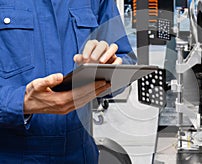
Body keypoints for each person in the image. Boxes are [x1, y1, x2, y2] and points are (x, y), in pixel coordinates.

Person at [0, 0, 136, 163]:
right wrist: (19, 103)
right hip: (10, 154)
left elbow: (124, 57)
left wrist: (107, 70)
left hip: (80, 154)